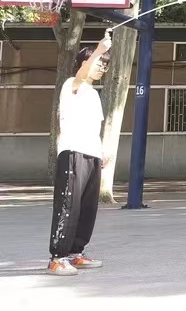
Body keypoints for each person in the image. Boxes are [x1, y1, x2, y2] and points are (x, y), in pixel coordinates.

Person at [47, 34, 111, 276]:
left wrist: (100, 152)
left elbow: (94, 128)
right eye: (99, 62)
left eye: (105, 64)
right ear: (84, 63)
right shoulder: (72, 84)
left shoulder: (94, 94)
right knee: (68, 206)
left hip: (91, 154)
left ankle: (76, 252)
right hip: (73, 152)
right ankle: (57, 257)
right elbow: (82, 75)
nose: (102, 67)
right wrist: (99, 49)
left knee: (87, 207)